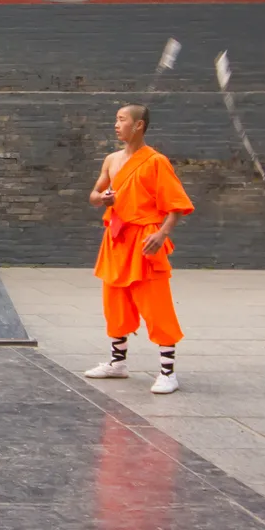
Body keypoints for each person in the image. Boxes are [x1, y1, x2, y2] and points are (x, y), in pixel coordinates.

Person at [81, 105, 195, 391]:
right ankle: (117, 362)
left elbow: (176, 204)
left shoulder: (156, 162)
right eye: (116, 119)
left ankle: (168, 371)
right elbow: (94, 195)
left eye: (122, 120)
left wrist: (162, 233)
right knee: (114, 301)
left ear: (139, 125)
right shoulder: (111, 159)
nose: (116, 125)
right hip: (116, 237)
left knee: (155, 303)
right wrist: (102, 197)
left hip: (145, 237)